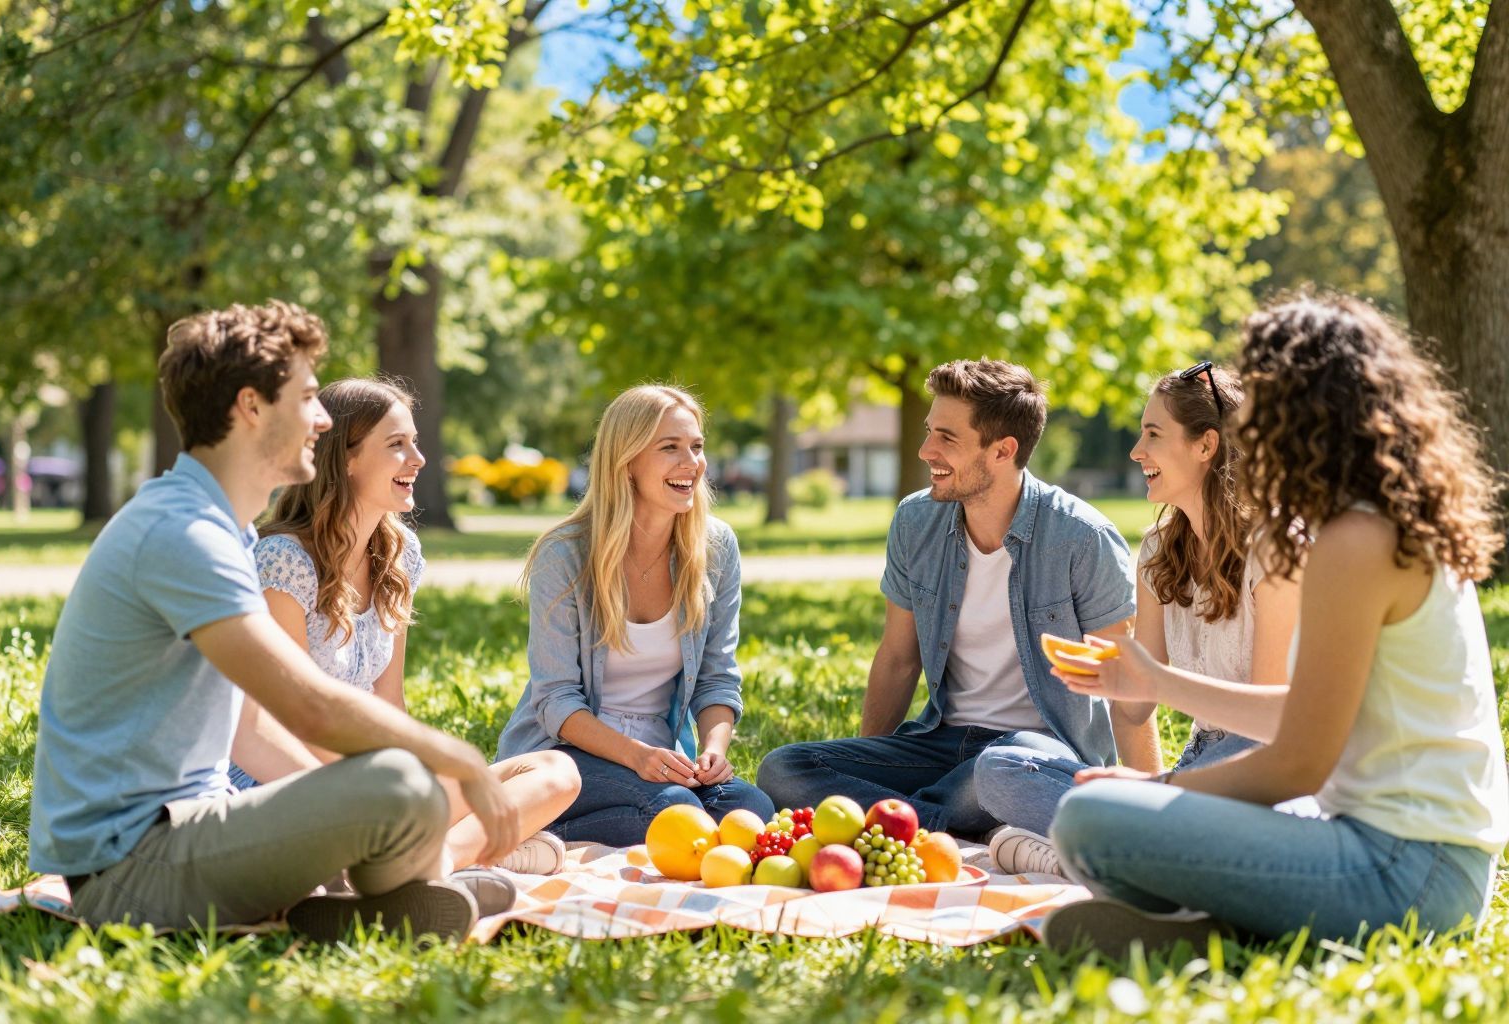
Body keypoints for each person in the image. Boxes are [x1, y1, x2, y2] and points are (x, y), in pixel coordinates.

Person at [29, 301, 520, 942]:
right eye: (310, 398)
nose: (321, 420)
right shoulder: (184, 534)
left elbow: (253, 730)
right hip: (129, 869)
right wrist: (454, 759)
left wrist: (337, 817)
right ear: (251, 407)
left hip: (193, 826)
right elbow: (308, 708)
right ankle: (400, 893)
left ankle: (369, 901)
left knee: (394, 791)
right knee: (403, 782)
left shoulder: (221, 529)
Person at [1044, 293, 1509, 957]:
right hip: (1407, 858)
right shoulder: (1366, 524)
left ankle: (1215, 929)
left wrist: (1159, 788)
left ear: (1300, 405)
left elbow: (1297, 761)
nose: (1247, 415)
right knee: (1102, 814)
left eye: (1258, 389)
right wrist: (1154, 683)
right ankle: (1216, 934)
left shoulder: (1357, 541)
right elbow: (1302, 717)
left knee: (1091, 820)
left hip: (1410, 872)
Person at [757, 359, 1150, 838]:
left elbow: (1126, 684)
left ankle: (899, 823)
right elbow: (899, 659)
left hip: (1036, 750)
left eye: (947, 438)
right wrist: (866, 764)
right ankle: (948, 824)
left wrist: (1151, 804)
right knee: (783, 769)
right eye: (928, 432)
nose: (926, 450)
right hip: (940, 744)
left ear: (1003, 450)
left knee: (999, 773)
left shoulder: (1082, 538)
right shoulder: (915, 522)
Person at [227, 377, 581, 875]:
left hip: (375, 780)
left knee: (555, 771)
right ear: (344, 458)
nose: (418, 459)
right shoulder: (284, 562)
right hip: (289, 781)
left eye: (414, 442)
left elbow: (388, 701)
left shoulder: (397, 555)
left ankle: (439, 859)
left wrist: (421, 775)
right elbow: (289, 718)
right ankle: (452, 853)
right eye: (397, 445)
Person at [976, 365, 1300, 873]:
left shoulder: (1274, 550)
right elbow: (1136, 708)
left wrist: (1151, 778)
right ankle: (1134, 846)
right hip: (1199, 764)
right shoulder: (1158, 551)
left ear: (1205, 445)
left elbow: (1270, 723)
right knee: (1001, 767)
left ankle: (1106, 852)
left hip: (1261, 764)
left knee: (1178, 803)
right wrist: (1109, 675)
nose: (1136, 451)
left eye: (1153, 434)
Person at [496, 385, 774, 845]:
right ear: (626, 464)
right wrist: (635, 756)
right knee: (675, 813)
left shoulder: (716, 546)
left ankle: (548, 832)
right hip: (567, 752)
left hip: (664, 757)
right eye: (670, 448)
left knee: (751, 809)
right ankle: (517, 828)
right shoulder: (564, 555)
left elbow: (717, 678)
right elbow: (556, 701)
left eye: (697, 446)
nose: (692, 462)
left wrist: (713, 751)